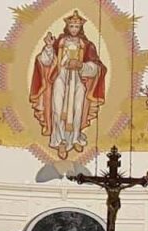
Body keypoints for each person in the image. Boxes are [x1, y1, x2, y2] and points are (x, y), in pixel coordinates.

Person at [29, 10, 107, 160]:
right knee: (58, 110)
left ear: (80, 29)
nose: (74, 29)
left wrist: (81, 66)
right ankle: (60, 141)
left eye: (76, 27)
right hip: (60, 78)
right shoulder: (59, 42)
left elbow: (98, 67)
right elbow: (45, 61)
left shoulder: (87, 45)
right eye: (71, 26)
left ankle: (75, 137)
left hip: (78, 80)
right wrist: (49, 47)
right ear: (67, 27)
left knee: (78, 110)